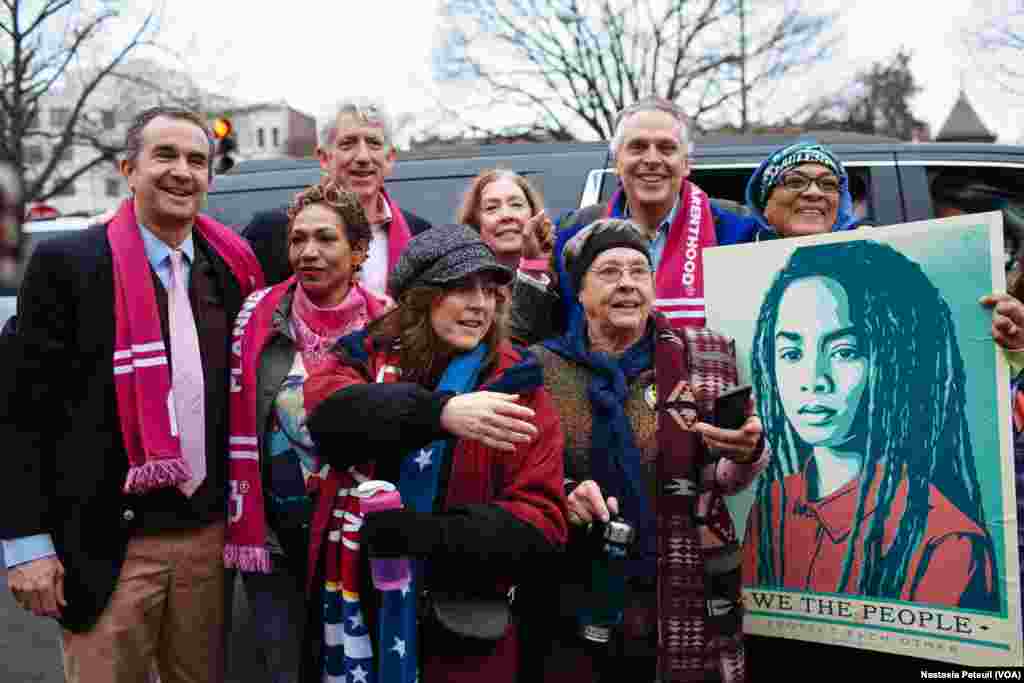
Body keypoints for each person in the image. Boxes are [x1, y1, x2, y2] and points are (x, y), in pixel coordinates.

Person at [0, 106, 264, 683]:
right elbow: (19, 412)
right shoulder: (67, 266)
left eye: (197, 160)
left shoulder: (232, 268)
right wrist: (25, 544)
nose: (182, 172)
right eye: (164, 155)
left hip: (206, 540)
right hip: (107, 546)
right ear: (128, 168)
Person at [301, 224, 568, 682]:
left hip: (464, 632)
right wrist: (438, 414)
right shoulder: (364, 357)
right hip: (356, 606)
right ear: (419, 299)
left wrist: (425, 535)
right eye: (461, 288)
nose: (481, 304)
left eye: (490, 290)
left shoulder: (518, 385)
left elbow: (542, 524)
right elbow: (330, 422)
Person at [520, 218, 767, 683]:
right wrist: (566, 491)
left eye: (639, 271)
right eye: (610, 272)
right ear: (579, 290)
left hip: (682, 582)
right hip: (573, 586)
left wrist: (746, 453)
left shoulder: (702, 356)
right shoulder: (540, 368)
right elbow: (522, 473)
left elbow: (725, 481)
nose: (628, 284)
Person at [742, 240, 996, 610]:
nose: (814, 379)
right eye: (792, 353)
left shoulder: (946, 541)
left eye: (845, 352)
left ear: (898, 362)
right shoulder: (772, 507)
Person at [224, 180, 390, 683]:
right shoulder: (256, 316)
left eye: (325, 239)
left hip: (358, 537)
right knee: (284, 668)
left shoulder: (392, 324)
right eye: (298, 239)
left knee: (353, 665)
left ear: (359, 250)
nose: (308, 252)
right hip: (274, 536)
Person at [554, 97, 719, 333]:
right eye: (638, 147)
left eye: (666, 148)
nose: (652, 159)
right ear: (617, 162)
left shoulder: (737, 230)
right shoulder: (570, 233)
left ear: (685, 163)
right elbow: (543, 334)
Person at [242, 98, 431, 289]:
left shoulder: (420, 236)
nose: (363, 157)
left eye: (374, 143)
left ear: (390, 158)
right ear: (324, 158)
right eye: (348, 143)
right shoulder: (273, 232)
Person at [456, 169, 558, 345]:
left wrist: (535, 264)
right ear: (475, 222)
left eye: (516, 205)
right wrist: (532, 266)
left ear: (535, 214)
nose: (506, 216)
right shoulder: (462, 284)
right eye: (492, 208)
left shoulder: (564, 271)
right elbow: (512, 347)